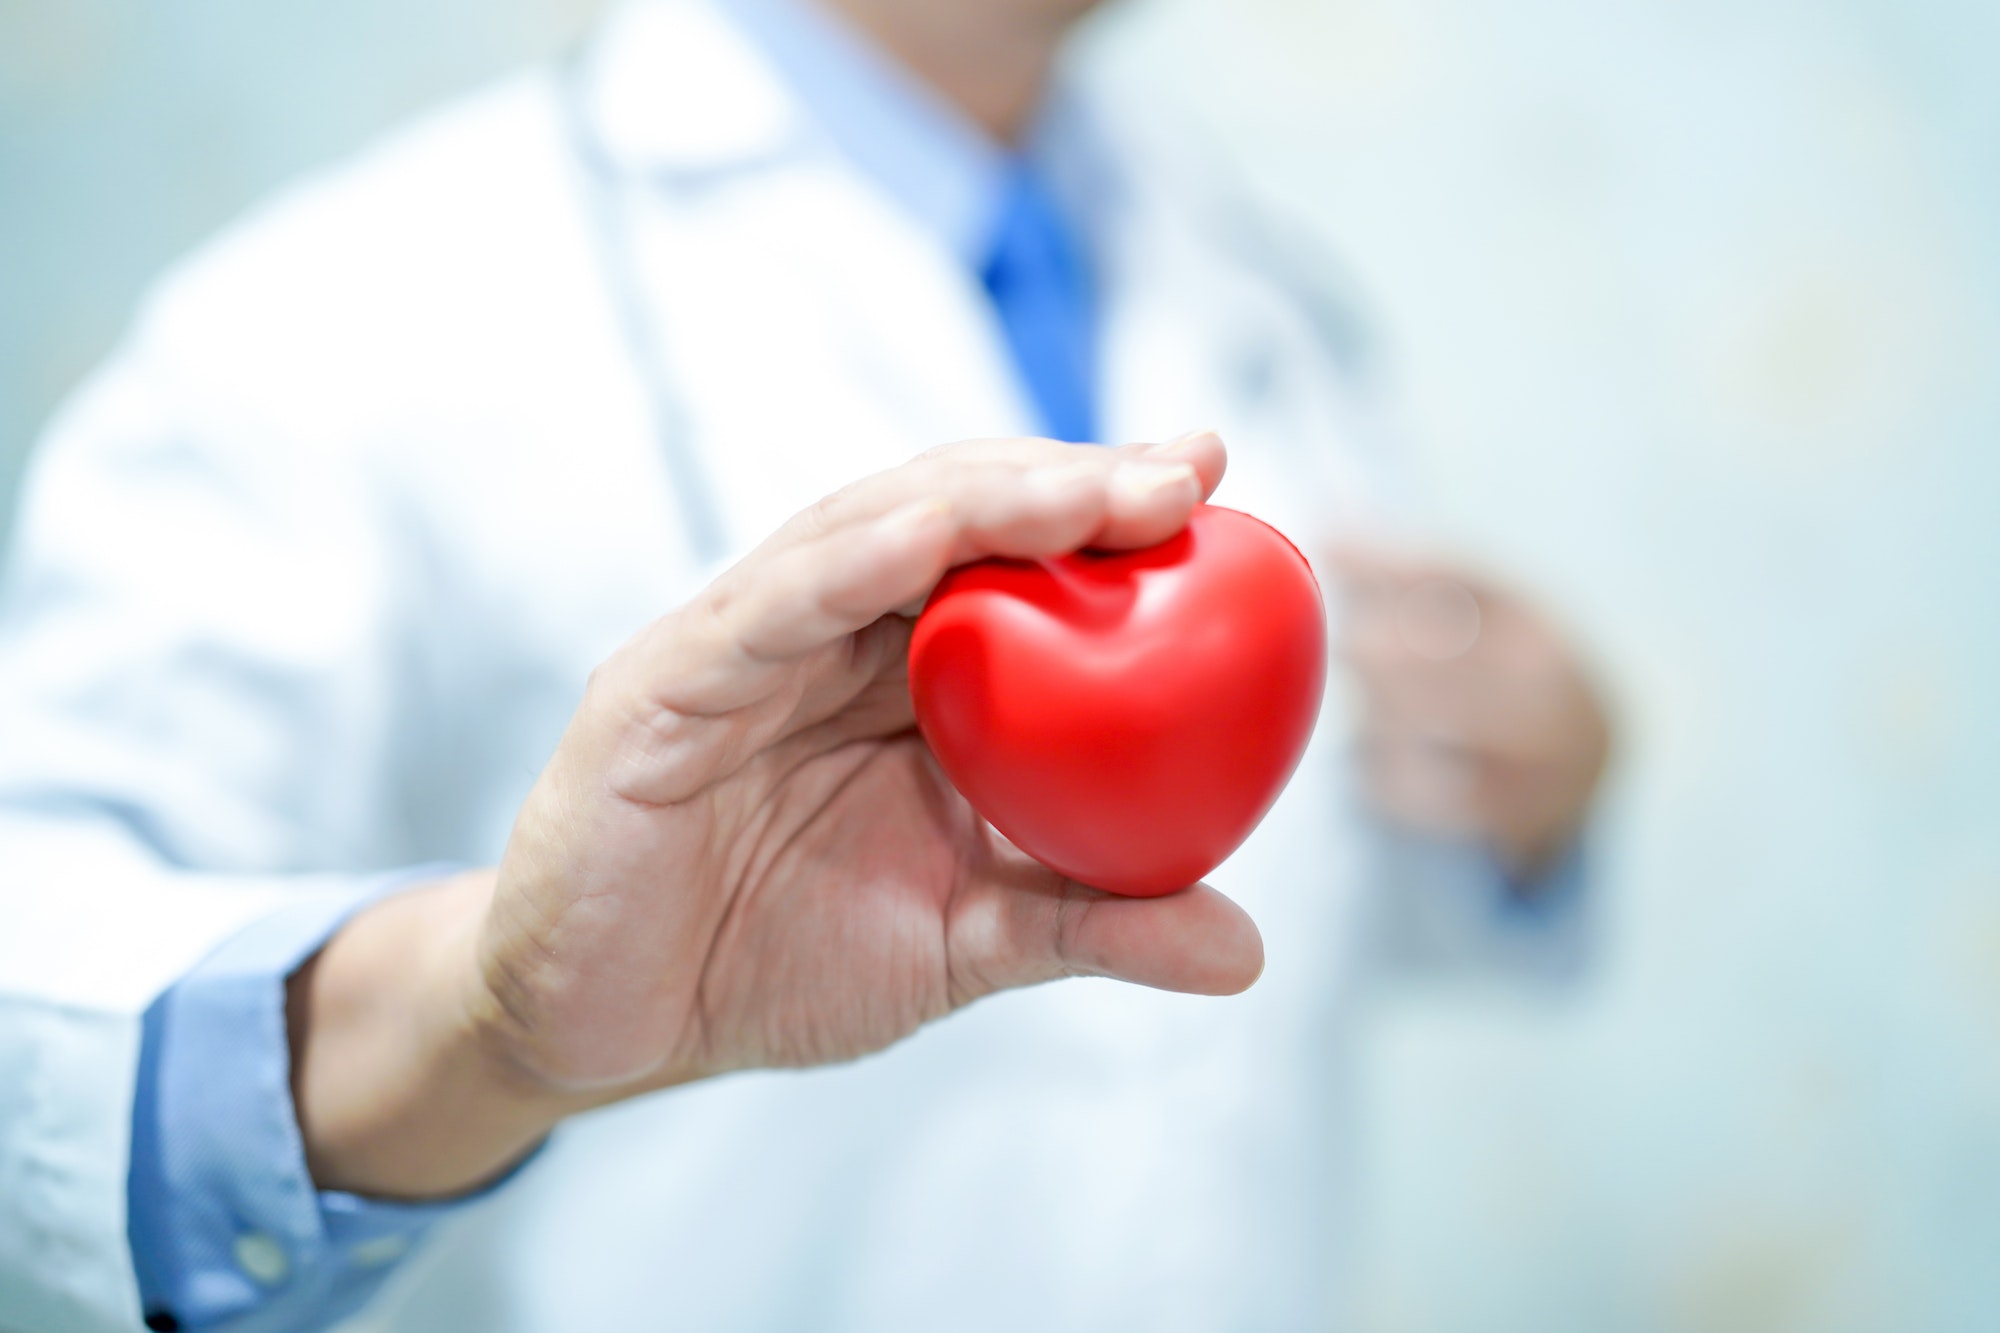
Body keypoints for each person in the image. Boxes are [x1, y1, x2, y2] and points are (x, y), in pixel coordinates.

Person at [0, 0, 1611, 1329]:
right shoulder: (331, 314)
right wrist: (484, 1014)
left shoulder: (1258, 280)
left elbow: (1228, 904)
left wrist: (1530, 794)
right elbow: (39, 967)